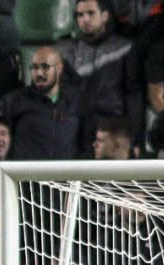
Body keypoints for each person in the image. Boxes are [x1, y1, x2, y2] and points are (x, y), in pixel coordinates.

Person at [57, 0, 144, 155]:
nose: (85, 19)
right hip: (77, 129)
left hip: (113, 130)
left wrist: (134, 138)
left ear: (104, 16)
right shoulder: (66, 51)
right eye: (80, 15)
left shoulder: (125, 48)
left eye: (91, 13)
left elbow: (134, 96)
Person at [0, 45, 84, 161]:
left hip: (66, 175)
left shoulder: (76, 101)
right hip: (26, 175)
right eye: (34, 67)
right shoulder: (13, 101)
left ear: (59, 68)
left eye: (45, 67)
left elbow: (86, 142)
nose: (39, 73)